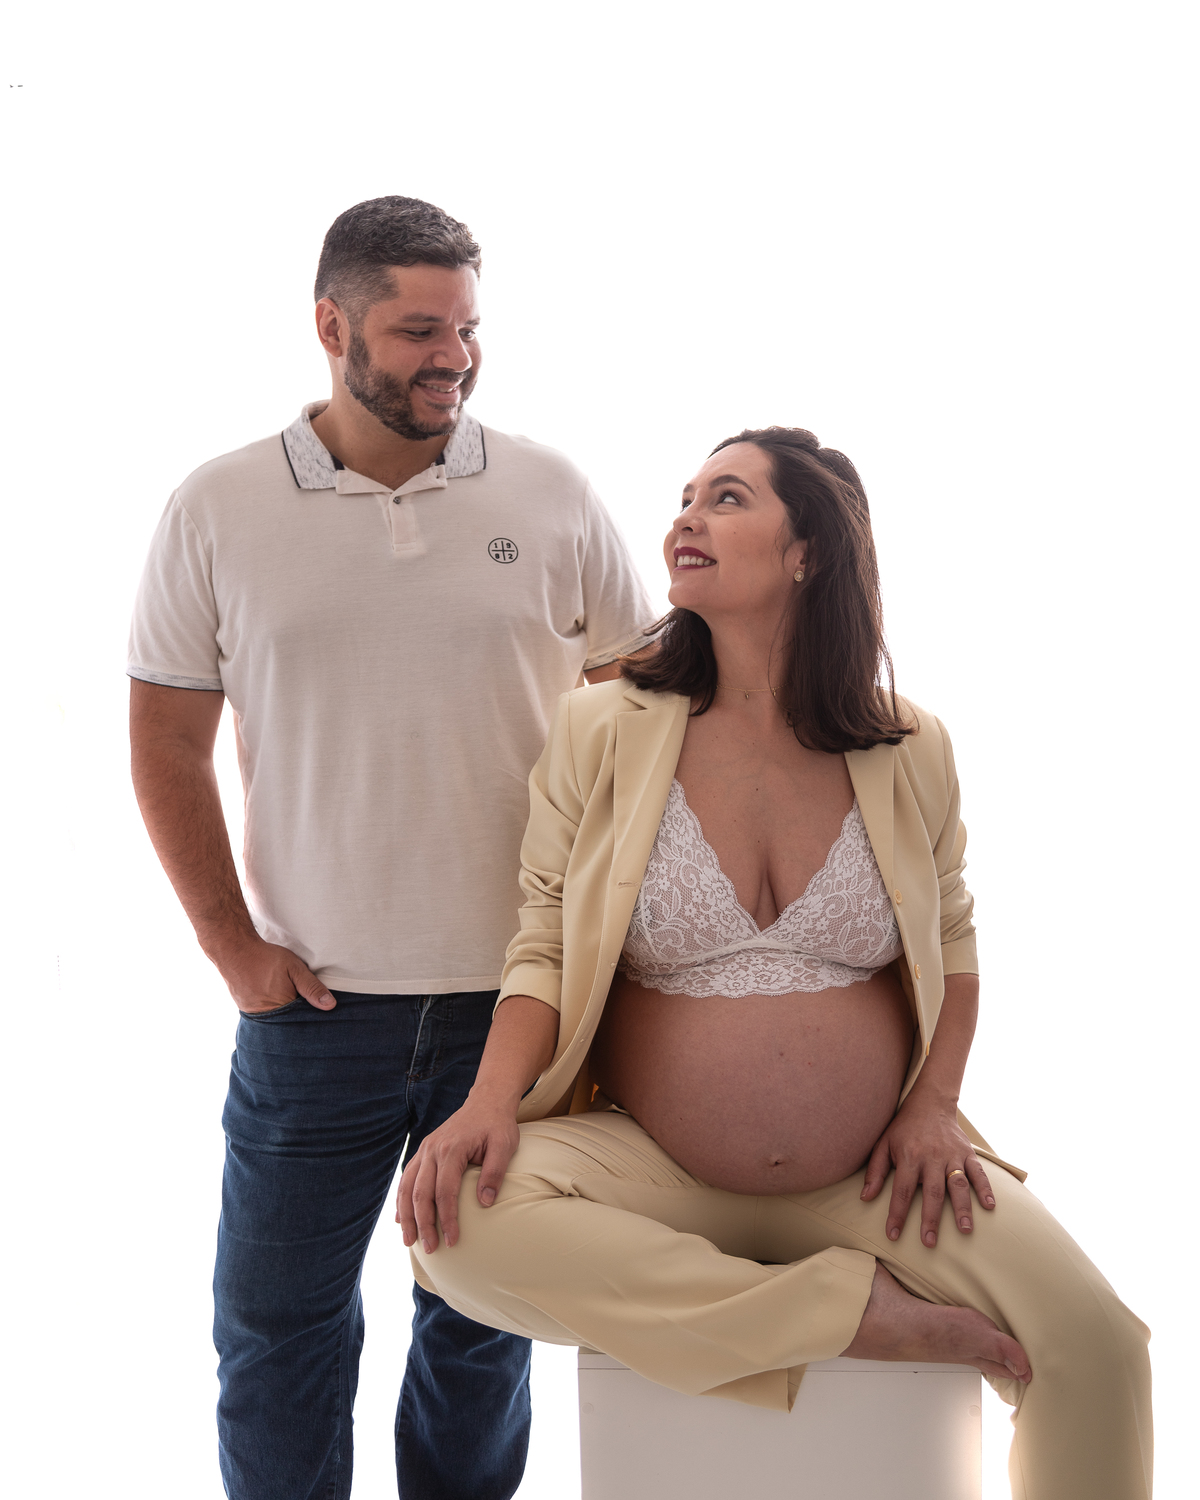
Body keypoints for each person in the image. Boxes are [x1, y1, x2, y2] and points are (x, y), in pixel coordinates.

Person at [399, 426, 1153, 1500]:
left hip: (876, 1177)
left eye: (728, 498)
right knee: (455, 1231)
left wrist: (934, 1108)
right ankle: (847, 1316)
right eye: (686, 496)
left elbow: (952, 942)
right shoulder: (600, 727)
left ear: (808, 551)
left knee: (1098, 1347)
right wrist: (487, 1103)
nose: (686, 517)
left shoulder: (909, 745)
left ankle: (819, 1301)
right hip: (654, 1166)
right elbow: (545, 944)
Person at [127, 196, 653, 1500]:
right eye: (420, 330)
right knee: (275, 1334)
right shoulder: (217, 506)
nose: (453, 358)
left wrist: (599, 940)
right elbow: (167, 741)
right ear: (332, 325)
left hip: (515, 1007)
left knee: (484, 1328)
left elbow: (644, 712)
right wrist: (232, 948)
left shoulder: (550, 491)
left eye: (467, 328)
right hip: (312, 1010)